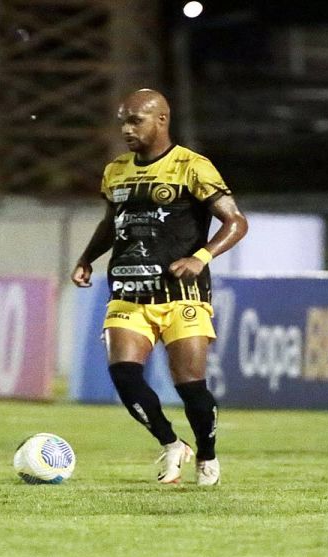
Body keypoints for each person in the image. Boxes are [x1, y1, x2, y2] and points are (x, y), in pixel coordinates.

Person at [71, 89, 248, 486]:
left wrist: (200, 257)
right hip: (129, 293)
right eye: (123, 120)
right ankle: (170, 442)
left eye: (135, 120)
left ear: (162, 120)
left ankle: (206, 453)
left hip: (181, 296)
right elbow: (110, 223)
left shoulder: (192, 167)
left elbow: (236, 222)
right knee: (125, 375)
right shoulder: (115, 170)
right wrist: (87, 258)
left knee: (191, 387)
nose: (126, 129)